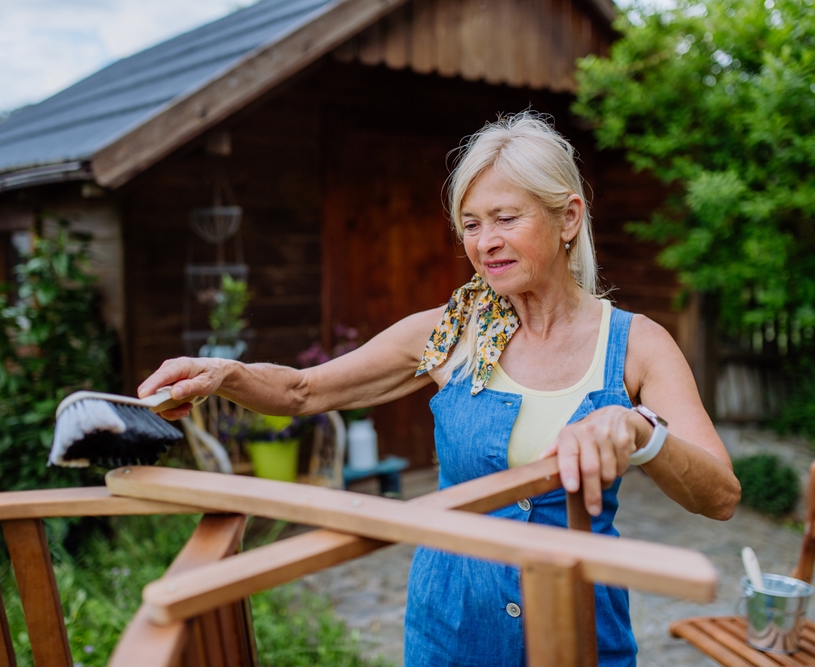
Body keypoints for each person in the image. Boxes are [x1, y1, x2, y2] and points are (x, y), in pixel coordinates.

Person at [138, 112, 741, 666]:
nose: (485, 242)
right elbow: (302, 392)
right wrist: (224, 374)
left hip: (580, 632)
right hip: (452, 633)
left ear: (569, 218)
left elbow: (720, 496)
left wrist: (640, 431)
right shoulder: (446, 336)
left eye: (507, 219)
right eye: (472, 225)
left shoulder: (636, 343)